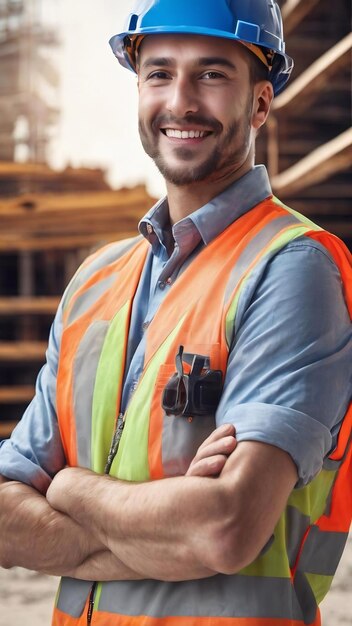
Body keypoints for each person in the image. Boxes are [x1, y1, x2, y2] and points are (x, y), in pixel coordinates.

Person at [0, 0, 351, 624]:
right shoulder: (93, 282)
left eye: (212, 74)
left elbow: (224, 530)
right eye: (159, 73)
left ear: (262, 103)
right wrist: (165, 524)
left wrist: (71, 489)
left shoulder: (292, 269)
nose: (181, 102)